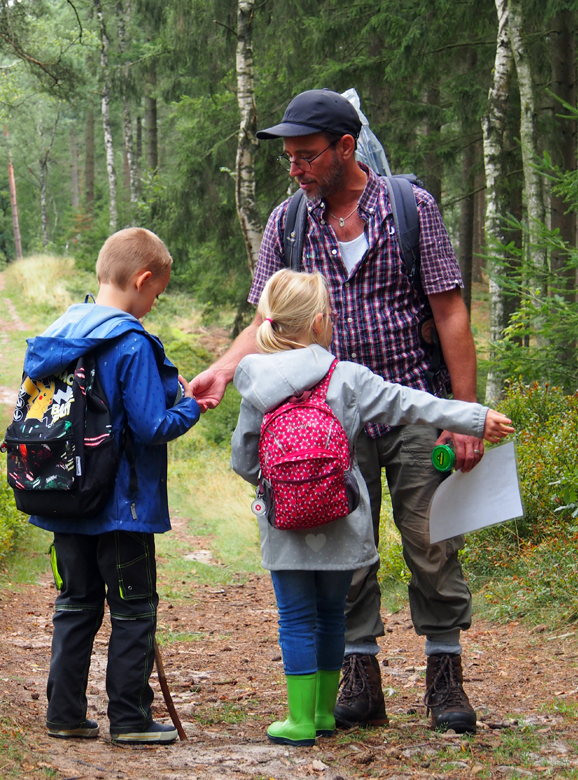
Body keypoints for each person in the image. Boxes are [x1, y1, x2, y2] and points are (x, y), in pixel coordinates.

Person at [191, 88, 489, 733]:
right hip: (326, 419)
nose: (294, 168)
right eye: (289, 158)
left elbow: (449, 311)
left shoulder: (411, 208)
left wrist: (459, 413)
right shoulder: (286, 223)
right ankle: (359, 678)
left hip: (412, 404)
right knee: (342, 551)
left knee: (431, 543)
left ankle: (444, 677)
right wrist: (220, 369)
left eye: (305, 156)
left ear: (345, 148)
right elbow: (265, 320)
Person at [229, 269, 514, 748]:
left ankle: (299, 719)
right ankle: (322, 713)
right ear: (321, 322)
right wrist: (475, 417)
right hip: (344, 520)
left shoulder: (256, 382)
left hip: (285, 526)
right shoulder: (348, 378)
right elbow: (412, 404)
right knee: (330, 615)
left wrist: (283, 486)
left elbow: (243, 458)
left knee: (297, 617)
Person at [23, 227, 200, 745]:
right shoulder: (130, 343)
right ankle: (129, 718)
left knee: (76, 604)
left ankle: (65, 713)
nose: (153, 304)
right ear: (143, 280)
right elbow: (151, 427)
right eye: (157, 294)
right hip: (121, 508)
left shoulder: (59, 332)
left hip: (63, 501)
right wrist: (190, 405)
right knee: (133, 608)